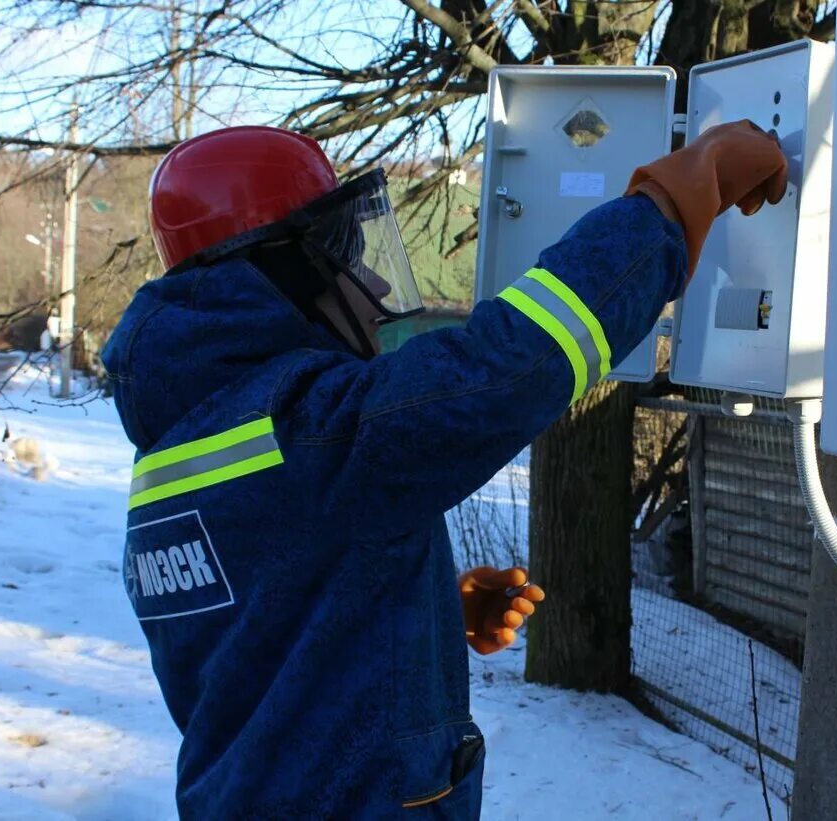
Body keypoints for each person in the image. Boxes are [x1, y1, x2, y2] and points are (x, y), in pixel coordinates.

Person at [102, 120, 787, 819]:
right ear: (281, 269)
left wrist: (414, 604)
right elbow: (509, 367)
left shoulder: (173, 458)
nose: (367, 278)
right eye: (344, 255)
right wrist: (672, 203)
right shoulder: (310, 430)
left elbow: (262, 632)